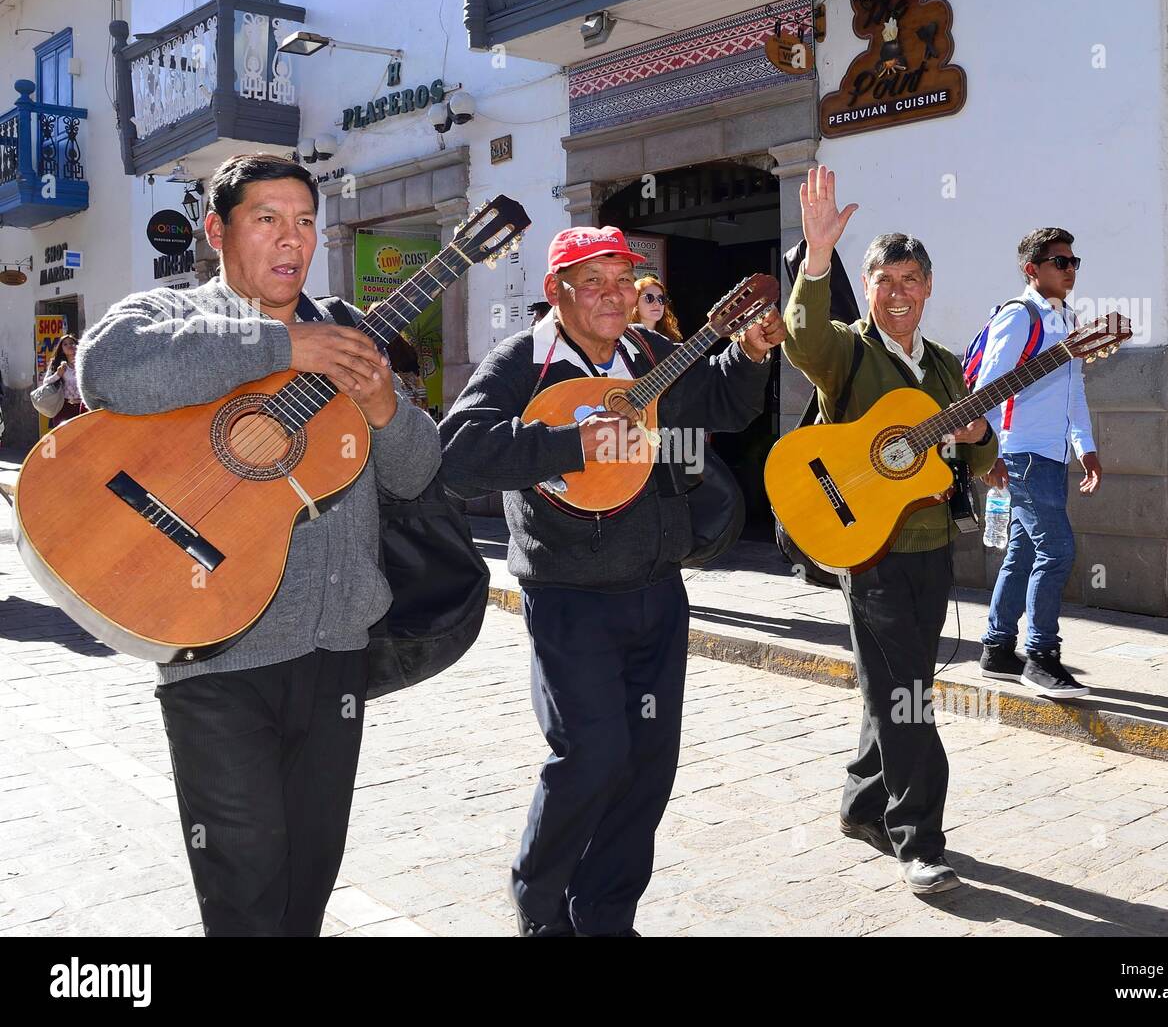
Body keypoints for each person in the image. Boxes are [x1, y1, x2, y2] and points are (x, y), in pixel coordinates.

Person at [77, 153, 441, 936]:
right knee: (245, 894)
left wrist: (384, 407)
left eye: (305, 221)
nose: (291, 240)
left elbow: (414, 476)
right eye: (266, 219)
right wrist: (280, 349)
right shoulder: (169, 318)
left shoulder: (347, 338)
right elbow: (104, 367)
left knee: (306, 884)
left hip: (335, 652)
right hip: (215, 656)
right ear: (215, 231)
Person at [438, 226, 784, 936]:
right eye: (591, 281)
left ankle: (605, 915)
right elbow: (459, 457)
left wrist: (748, 354)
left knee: (647, 767)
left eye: (622, 281)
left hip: (657, 589)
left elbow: (721, 405)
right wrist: (571, 442)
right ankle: (541, 911)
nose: (612, 295)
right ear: (555, 292)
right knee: (592, 755)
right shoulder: (521, 363)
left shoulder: (649, 352)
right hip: (569, 596)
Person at [781, 166, 999, 895]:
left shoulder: (942, 366)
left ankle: (861, 800)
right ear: (868, 289)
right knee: (908, 692)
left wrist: (974, 433)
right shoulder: (848, 349)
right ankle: (920, 838)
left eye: (910, 279)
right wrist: (816, 259)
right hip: (866, 549)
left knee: (892, 684)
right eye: (885, 280)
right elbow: (803, 340)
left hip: (930, 547)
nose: (898, 292)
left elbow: (982, 455)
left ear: (928, 288)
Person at [972, 228, 1100, 700]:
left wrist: (1085, 446)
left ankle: (997, 649)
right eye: (1060, 262)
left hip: (1052, 454)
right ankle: (1042, 656)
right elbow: (989, 385)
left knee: (1023, 552)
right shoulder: (1019, 316)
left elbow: (1074, 390)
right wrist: (988, 453)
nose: (1070, 270)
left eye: (1073, 261)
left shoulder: (1067, 320)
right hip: (1020, 452)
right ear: (1032, 269)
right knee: (1058, 550)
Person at [38, 334, 86, 426]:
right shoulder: (57, 365)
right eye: (65, 344)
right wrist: (58, 374)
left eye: (72, 343)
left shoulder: (84, 363)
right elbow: (46, 382)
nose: (69, 346)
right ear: (62, 349)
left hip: (83, 406)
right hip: (64, 407)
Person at [632, 275, 682, 341]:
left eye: (661, 299)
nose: (657, 303)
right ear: (634, 302)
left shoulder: (670, 340)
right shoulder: (622, 337)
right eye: (649, 298)